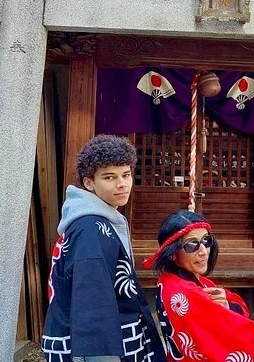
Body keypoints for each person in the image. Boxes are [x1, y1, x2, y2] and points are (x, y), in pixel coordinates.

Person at [42, 135, 165, 362]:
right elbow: (92, 302)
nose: (122, 184)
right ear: (89, 183)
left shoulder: (99, 221)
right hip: (100, 347)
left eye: (126, 174)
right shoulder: (91, 229)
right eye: (109, 177)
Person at [143, 210, 254, 362]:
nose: (203, 251)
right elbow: (239, 335)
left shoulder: (169, 280)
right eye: (191, 245)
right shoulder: (185, 292)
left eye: (206, 241)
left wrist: (228, 305)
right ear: (172, 253)